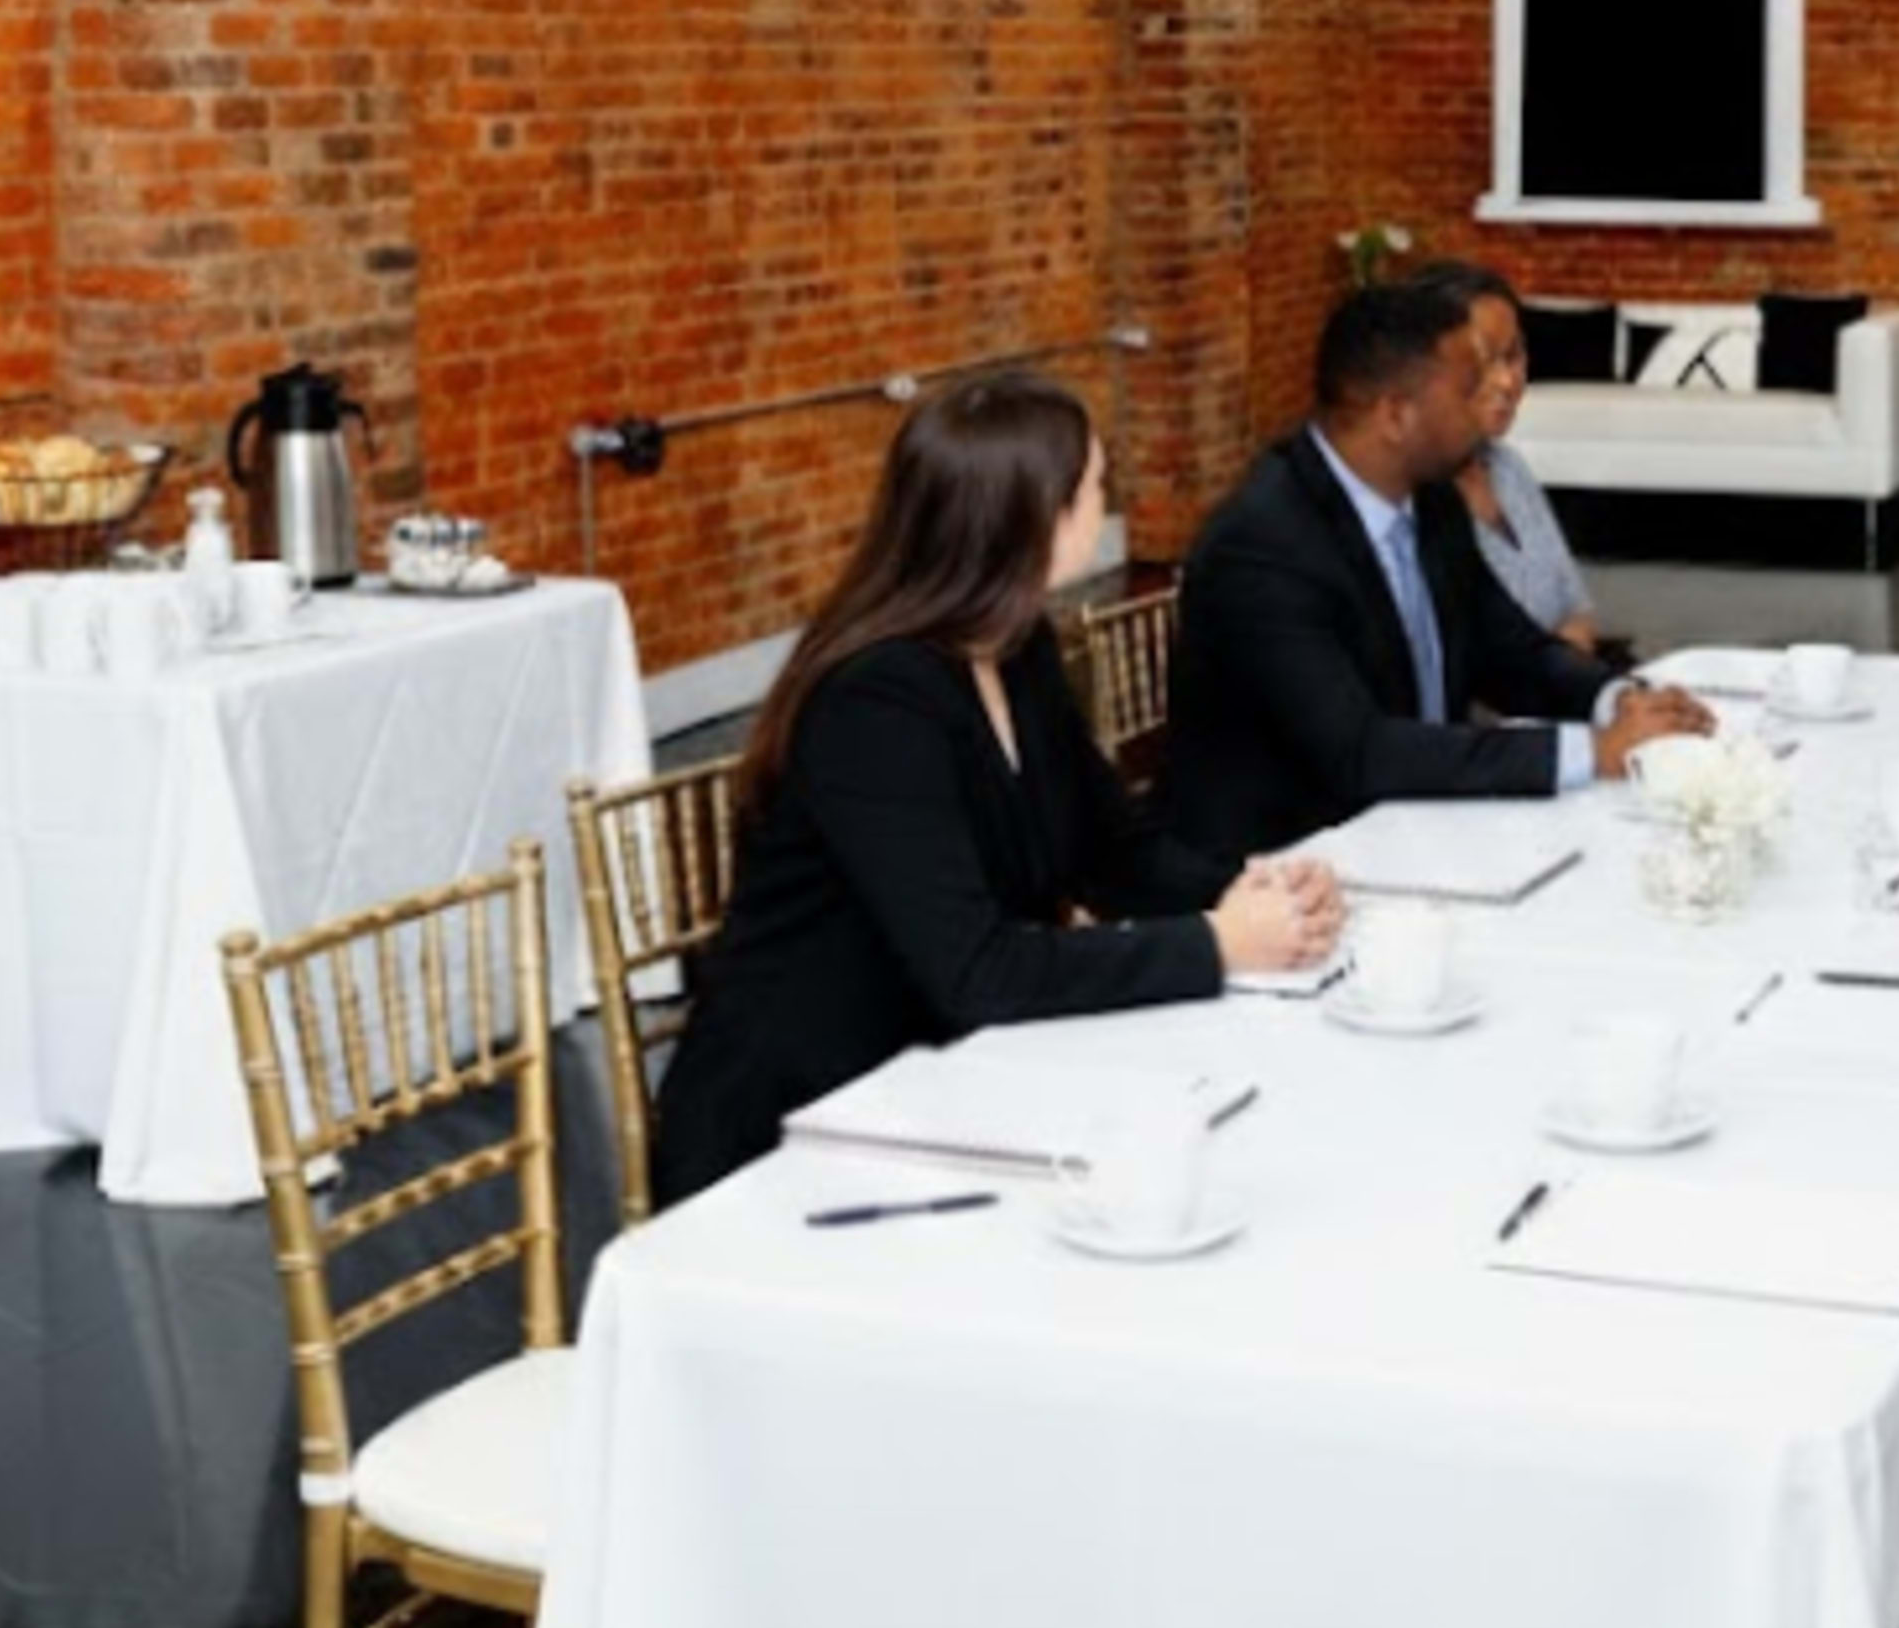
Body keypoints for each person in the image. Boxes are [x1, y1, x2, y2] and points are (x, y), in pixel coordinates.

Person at [650, 372, 1343, 1208]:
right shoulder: (876, 703)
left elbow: (1113, 852)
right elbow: (977, 971)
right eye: (1094, 486)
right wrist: (1218, 943)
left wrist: (1250, 889)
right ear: (1033, 518)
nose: (1105, 499)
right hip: (791, 1131)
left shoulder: (1014, 650)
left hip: (938, 1082)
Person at [1163, 280, 1716, 864]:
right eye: (1468, 386)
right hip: (1282, 870)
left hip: (1419, 831)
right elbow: (1360, 751)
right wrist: (1591, 752)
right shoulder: (1262, 547)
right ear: (1397, 415)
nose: (1492, 399)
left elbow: (1512, 651)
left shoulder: (1431, 502)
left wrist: (1617, 700)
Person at [1414, 259, 1603, 653]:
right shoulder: (1406, 499)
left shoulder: (1508, 467)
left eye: (1513, 356)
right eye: (1481, 360)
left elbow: (1577, 607)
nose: (1507, 380)